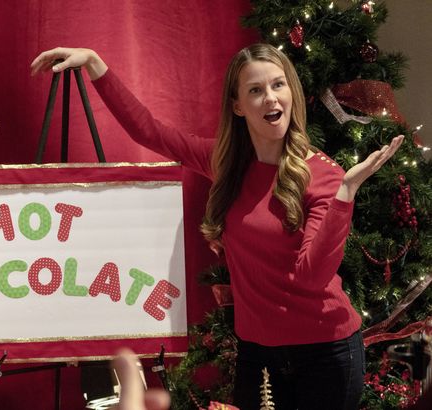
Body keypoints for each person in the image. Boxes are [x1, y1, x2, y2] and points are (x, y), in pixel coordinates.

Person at [31, 45, 404, 410]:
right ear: (238, 106)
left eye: (278, 85)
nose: (270, 98)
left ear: (291, 92)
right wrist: (95, 63)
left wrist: (344, 194)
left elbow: (310, 277)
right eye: (255, 90)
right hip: (258, 353)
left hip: (325, 353)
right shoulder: (227, 164)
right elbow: (149, 132)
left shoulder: (324, 176)